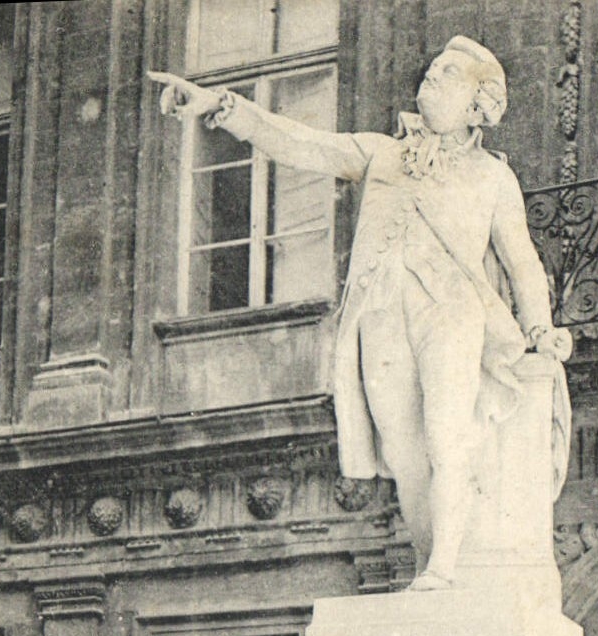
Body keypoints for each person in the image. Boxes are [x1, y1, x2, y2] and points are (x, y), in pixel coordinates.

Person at [150, 37, 571, 589]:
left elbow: (521, 260)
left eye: (448, 74)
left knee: (447, 436)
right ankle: (431, 563)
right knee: (403, 450)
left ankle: (443, 567)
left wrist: (540, 328)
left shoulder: (493, 177)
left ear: (477, 106)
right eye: (433, 68)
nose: (431, 76)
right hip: (380, 313)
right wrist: (223, 107)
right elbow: (301, 144)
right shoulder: (380, 153)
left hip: (452, 312)